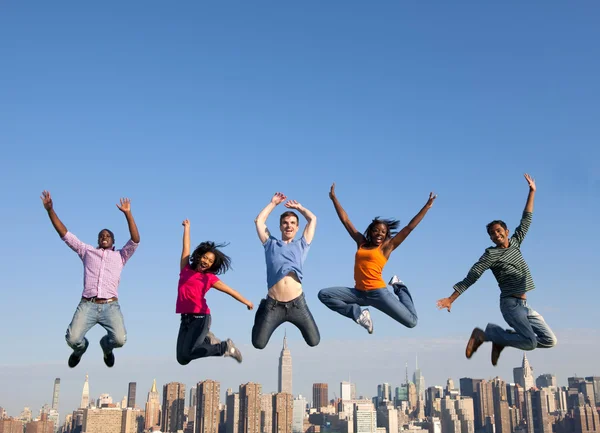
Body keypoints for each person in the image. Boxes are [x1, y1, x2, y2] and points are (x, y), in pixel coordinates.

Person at [436, 174, 557, 366]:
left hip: (525, 306)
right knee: (530, 343)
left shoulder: (516, 242)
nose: (496, 235)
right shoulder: (490, 255)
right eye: (492, 234)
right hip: (511, 305)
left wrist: (532, 191)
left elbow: (526, 219)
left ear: (507, 232)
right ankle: (489, 334)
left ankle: (500, 338)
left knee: (550, 341)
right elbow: (472, 276)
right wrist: (451, 298)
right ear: (491, 238)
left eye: (499, 231)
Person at [318, 183, 436, 334]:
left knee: (412, 322)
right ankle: (358, 314)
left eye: (383, 232)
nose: (379, 233)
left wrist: (426, 206)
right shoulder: (361, 242)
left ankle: (399, 286)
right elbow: (346, 221)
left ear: (386, 235)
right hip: (359, 293)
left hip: (378, 293)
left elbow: (409, 228)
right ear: (370, 232)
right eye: (376, 231)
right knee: (324, 295)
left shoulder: (387, 248)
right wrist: (334, 198)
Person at [41, 190, 140, 368]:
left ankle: (106, 347)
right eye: (101, 235)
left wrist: (128, 213)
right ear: (97, 239)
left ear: (113, 241)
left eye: (108, 236)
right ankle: (80, 350)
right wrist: (50, 210)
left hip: (110, 305)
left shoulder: (121, 256)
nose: (104, 237)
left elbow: (135, 240)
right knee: (72, 339)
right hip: (87, 304)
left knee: (119, 339)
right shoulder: (87, 252)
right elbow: (65, 234)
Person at [176, 219, 253, 365]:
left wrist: (246, 301)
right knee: (182, 359)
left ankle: (225, 347)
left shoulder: (209, 278)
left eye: (210, 261)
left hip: (200, 316)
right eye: (205, 257)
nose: (206, 261)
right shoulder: (185, 268)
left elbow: (230, 290)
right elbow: (186, 247)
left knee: (189, 352)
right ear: (199, 256)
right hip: (185, 318)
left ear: (212, 265)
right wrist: (187, 228)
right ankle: (208, 339)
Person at [252, 192, 320, 349]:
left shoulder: (302, 245)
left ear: (297, 227)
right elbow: (259, 221)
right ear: (280, 226)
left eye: (292, 223)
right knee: (259, 343)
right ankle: (261, 310)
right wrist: (273, 204)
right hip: (273, 305)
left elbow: (313, 219)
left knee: (314, 341)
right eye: (285, 223)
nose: (288, 225)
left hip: (297, 304)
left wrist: (300, 208)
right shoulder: (271, 244)